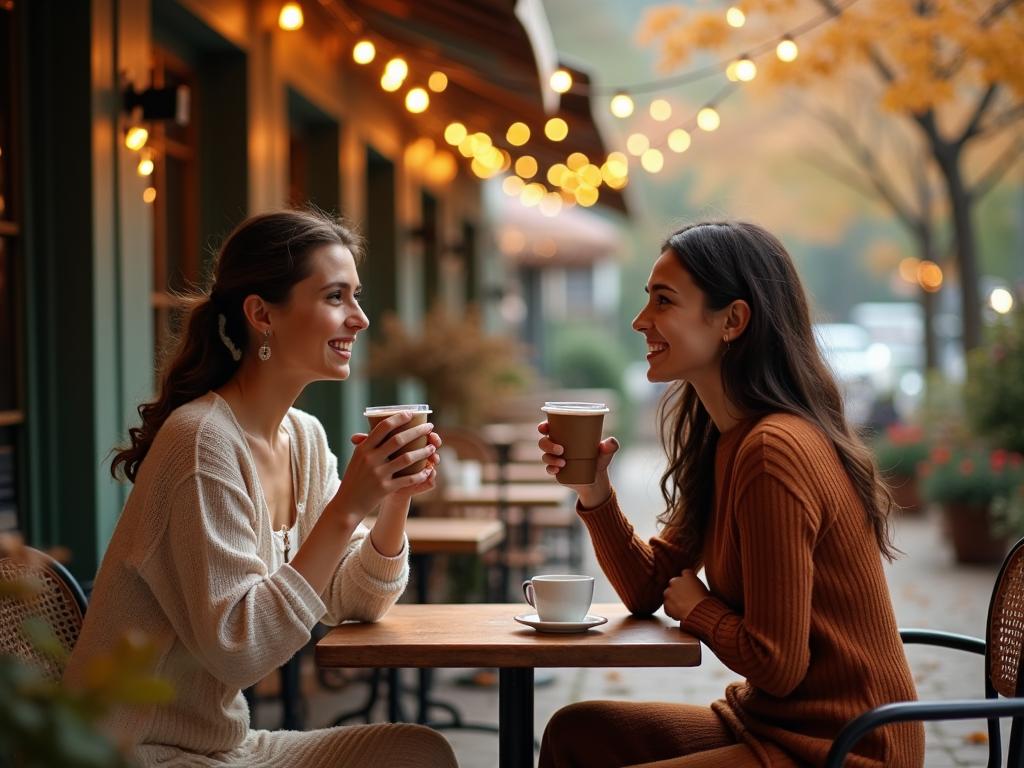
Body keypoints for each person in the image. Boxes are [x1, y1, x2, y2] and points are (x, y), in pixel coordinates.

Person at [63, 209, 459, 768]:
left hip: (221, 746)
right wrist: (347, 507)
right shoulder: (201, 441)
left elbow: (355, 600)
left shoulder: (302, 437)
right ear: (261, 314)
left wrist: (395, 496)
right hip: (134, 751)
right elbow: (240, 651)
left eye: (356, 295)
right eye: (335, 297)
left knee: (418, 751)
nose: (361, 319)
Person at [537, 221, 923, 768]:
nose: (639, 320)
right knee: (577, 731)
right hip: (768, 724)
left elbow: (776, 664)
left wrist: (701, 610)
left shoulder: (773, 452)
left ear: (733, 320)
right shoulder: (728, 441)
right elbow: (650, 587)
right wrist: (593, 489)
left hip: (847, 749)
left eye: (663, 301)